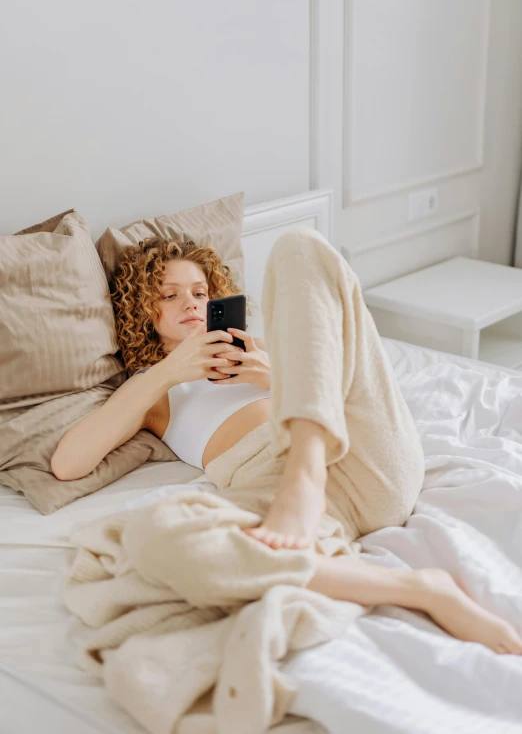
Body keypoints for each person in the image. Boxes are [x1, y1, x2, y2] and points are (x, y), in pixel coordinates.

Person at [51, 229, 522, 656]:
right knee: (152, 536)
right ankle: (421, 589)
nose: (191, 303)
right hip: (277, 498)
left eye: (200, 292)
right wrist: (171, 371)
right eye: (169, 295)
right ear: (141, 311)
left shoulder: (269, 347)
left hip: (364, 458)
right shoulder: (153, 392)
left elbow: (345, 387)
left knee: (299, 245)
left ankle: (306, 465)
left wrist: (278, 377)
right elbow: (68, 464)